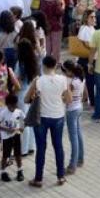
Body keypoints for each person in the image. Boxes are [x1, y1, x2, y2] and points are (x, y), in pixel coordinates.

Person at [26, 55, 70, 187]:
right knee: (58, 146)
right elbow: (68, 99)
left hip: (42, 117)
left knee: (41, 148)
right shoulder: (63, 80)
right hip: (58, 116)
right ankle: (61, 176)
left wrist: (34, 89)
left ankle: (38, 178)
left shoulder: (39, 81)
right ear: (56, 65)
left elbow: (26, 99)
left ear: (43, 65)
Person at [0, 93, 24, 183]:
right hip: (6, 137)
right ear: (8, 104)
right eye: (13, 105)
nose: (15, 106)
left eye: (16, 104)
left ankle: (20, 171)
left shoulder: (19, 111)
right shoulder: (3, 113)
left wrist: (22, 127)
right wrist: (7, 129)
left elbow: (23, 120)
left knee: (18, 154)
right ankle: (3, 172)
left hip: (16, 135)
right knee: (5, 155)